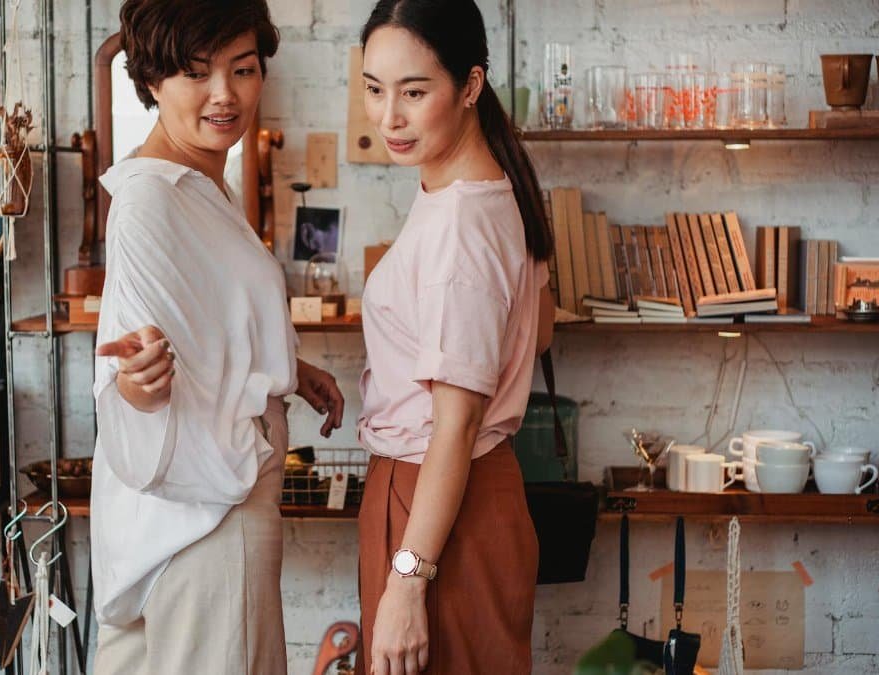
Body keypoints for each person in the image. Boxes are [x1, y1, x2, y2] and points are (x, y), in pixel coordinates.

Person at [88, 1, 344, 673]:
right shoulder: (153, 200)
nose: (225, 95)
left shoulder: (200, 185)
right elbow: (134, 369)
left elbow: (206, 326)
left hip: (185, 519)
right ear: (151, 81)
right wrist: (139, 389)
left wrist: (287, 362)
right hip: (208, 516)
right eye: (197, 73)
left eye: (244, 69)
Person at [355, 0, 556, 673]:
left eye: (415, 92)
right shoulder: (488, 187)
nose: (390, 117)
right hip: (471, 495)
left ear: (470, 86)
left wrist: (408, 579)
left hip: (436, 503)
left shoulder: (461, 225)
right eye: (374, 90)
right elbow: (542, 329)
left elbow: (455, 425)